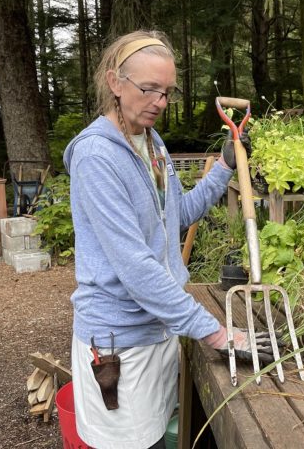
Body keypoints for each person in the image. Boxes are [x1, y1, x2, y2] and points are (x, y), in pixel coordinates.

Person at [64, 30, 273, 449]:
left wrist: (224, 167)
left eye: (167, 92)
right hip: (118, 345)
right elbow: (136, 268)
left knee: (158, 439)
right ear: (114, 83)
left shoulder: (151, 143)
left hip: (160, 330)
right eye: (149, 89)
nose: (159, 102)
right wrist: (215, 333)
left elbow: (179, 216)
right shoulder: (96, 157)